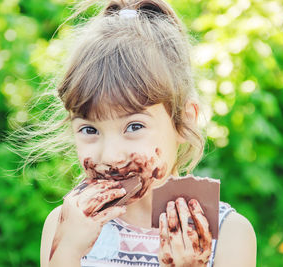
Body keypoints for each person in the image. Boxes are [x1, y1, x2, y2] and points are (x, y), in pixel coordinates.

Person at [38, 0, 257, 266]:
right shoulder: (63, 228)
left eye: (134, 126)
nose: (110, 156)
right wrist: (68, 252)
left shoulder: (227, 236)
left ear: (184, 121)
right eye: (89, 129)